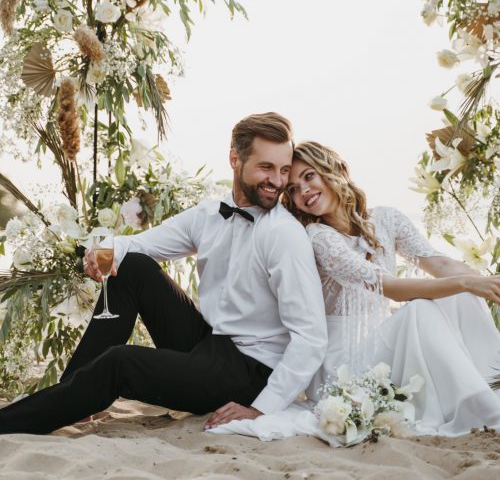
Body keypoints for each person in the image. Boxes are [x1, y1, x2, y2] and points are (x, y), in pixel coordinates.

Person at [0, 114, 328, 435]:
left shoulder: (284, 235)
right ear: (235, 159)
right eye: (266, 167)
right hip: (209, 344)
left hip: (248, 372)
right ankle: (73, 396)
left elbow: (311, 337)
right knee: (132, 265)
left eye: (284, 170)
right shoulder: (208, 216)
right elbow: (139, 244)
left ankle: (13, 421)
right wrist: (103, 251)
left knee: (121, 362)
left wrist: (262, 407)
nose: (278, 180)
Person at [210, 140, 500, 442]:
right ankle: (480, 408)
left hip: (380, 340)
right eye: (293, 189)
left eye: (309, 176)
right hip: (343, 359)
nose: (303, 191)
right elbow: (392, 289)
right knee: (421, 309)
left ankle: (492, 387)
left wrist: (484, 282)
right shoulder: (318, 237)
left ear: (333, 170)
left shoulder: (387, 218)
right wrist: (469, 282)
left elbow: (440, 264)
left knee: (462, 296)